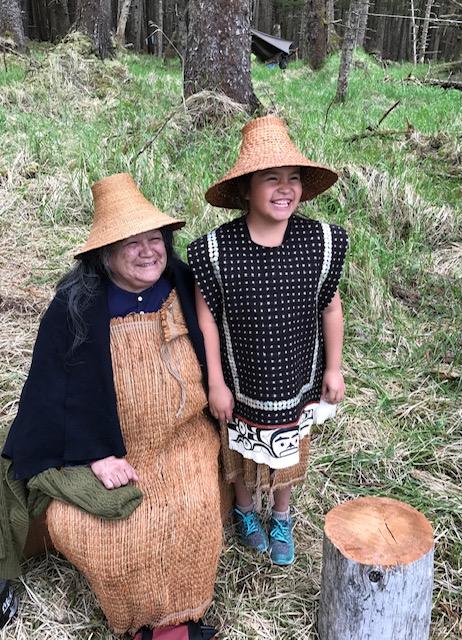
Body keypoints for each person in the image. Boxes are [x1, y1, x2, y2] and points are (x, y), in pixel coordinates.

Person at [2, 173, 224, 639]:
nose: (149, 251)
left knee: (193, 510)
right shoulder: (75, 306)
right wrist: (94, 453)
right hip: (113, 449)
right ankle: (136, 621)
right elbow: (52, 394)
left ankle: (181, 619)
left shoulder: (184, 284)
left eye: (154, 239)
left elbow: (224, 338)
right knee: (106, 533)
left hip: (183, 438)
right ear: (105, 254)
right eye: (132, 243)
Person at [188, 116, 348, 567]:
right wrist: (216, 382)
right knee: (240, 447)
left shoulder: (317, 241)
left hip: (296, 376)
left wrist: (333, 368)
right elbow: (207, 323)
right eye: (271, 179)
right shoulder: (217, 250)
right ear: (245, 189)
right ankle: (244, 509)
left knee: (288, 451)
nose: (285, 189)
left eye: (293, 179)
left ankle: (280, 514)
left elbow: (330, 308)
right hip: (242, 378)